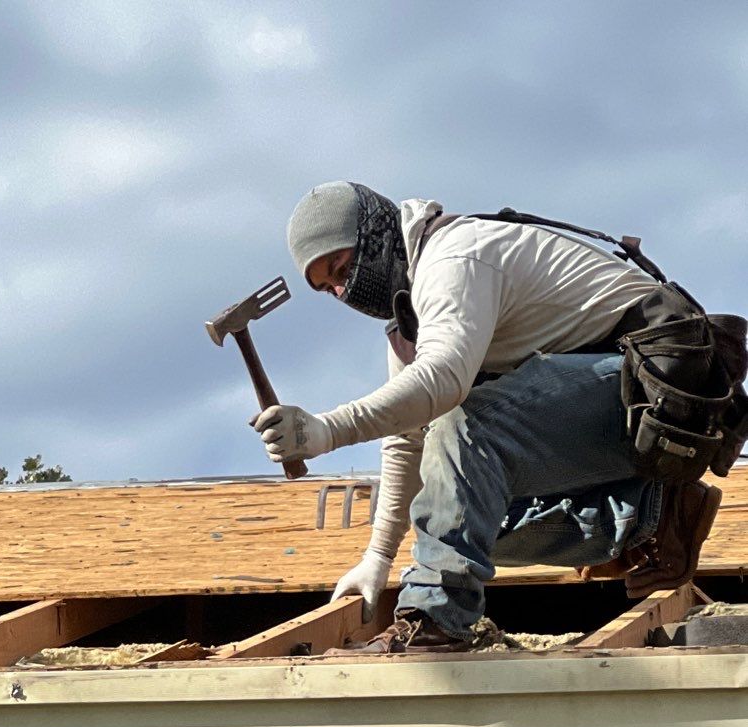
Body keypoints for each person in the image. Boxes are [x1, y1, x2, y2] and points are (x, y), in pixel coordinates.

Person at [251, 182, 729, 653]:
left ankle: (434, 619)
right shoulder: (409, 321)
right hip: (612, 403)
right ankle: (652, 517)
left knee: (467, 427)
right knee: (448, 509)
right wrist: (377, 557)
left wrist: (329, 429)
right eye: (327, 288)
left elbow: (444, 382)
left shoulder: (454, 258)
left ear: (377, 234)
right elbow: (406, 439)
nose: (343, 289)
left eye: (342, 267)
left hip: (661, 383)